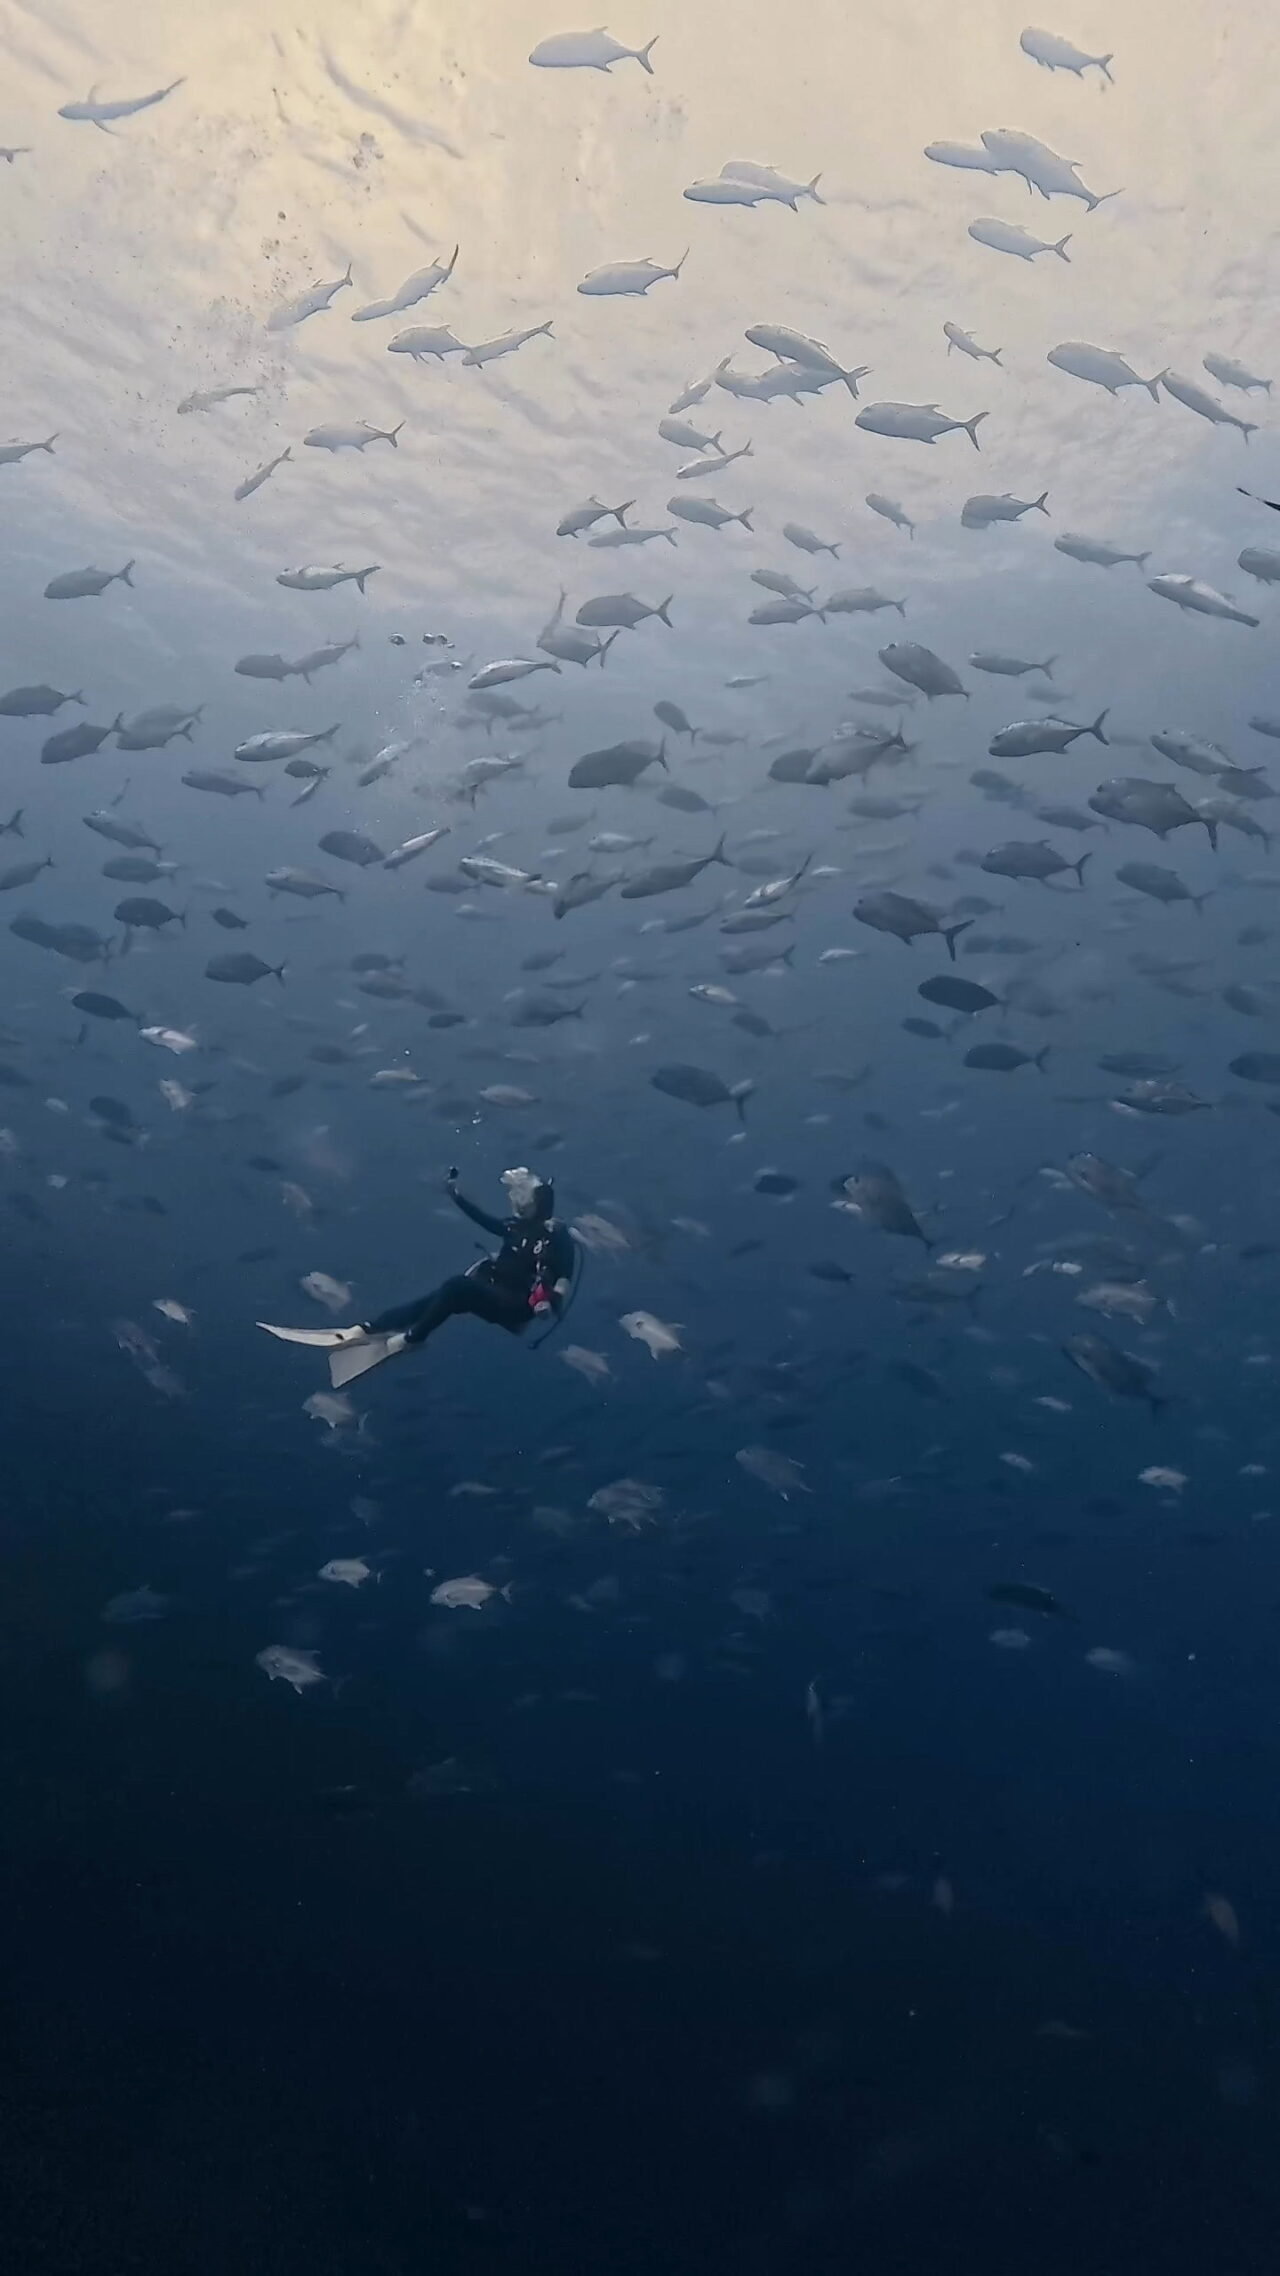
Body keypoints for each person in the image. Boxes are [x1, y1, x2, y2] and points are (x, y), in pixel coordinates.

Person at [258, 1167, 577, 1385]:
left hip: (516, 1304)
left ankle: (412, 1339)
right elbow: (482, 1219)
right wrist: (455, 1194)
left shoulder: (556, 1236)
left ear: (533, 1201)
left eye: (519, 1198)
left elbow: (563, 1273)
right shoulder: (515, 1227)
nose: (515, 1203)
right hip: (491, 1287)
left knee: (455, 1288)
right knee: (439, 1296)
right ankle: (367, 1329)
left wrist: (550, 1302)